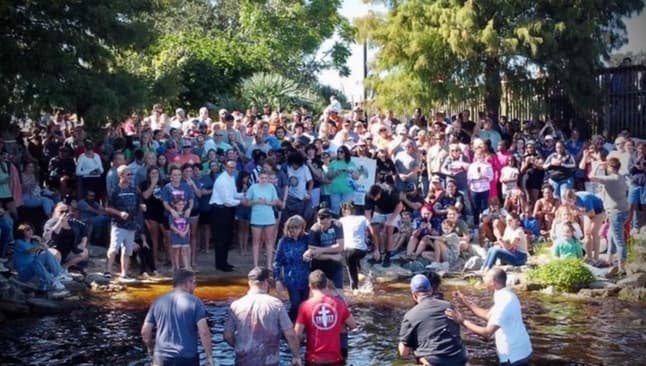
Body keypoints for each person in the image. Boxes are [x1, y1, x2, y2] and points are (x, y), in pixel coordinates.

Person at [446, 268, 532, 365]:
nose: (483, 278)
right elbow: (488, 315)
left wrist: (462, 321)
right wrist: (465, 302)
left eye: (486, 277)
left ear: (493, 282)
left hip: (513, 357)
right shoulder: (506, 294)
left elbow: (487, 332)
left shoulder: (504, 302)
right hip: (521, 350)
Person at [224, 267, 302, 366]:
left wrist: (239, 345)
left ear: (249, 283)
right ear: (266, 283)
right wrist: (296, 356)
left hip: (243, 360)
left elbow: (227, 336)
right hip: (269, 361)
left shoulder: (236, 305)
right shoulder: (276, 304)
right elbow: (290, 334)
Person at [141, 269, 214, 366]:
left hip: (161, 357)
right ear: (187, 283)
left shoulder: (158, 302)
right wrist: (209, 357)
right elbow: (204, 332)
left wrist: (150, 348)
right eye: (194, 283)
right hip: (186, 357)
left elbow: (145, 332)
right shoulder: (195, 302)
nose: (195, 286)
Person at [398, 274, 468, 366]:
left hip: (434, 362)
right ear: (430, 291)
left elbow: (404, 353)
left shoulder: (410, 315)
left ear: (414, 295)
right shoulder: (448, 306)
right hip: (460, 359)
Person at [294, 270, 357, 366]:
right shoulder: (339, 304)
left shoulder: (305, 306)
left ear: (310, 286)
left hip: (313, 360)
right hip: (336, 360)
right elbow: (353, 325)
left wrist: (296, 356)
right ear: (326, 285)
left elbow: (297, 334)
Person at [588, 157, 630, 274]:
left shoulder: (611, 179)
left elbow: (591, 177)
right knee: (611, 235)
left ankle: (622, 268)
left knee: (619, 240)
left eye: (608, 166)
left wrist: (598, 165)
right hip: (623, 210)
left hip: (616, 212)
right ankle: (609, 260)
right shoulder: (621, 177)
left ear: (611, 167)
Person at [104, 165, 143, 280]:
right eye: (128, 174)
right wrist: (119, 213)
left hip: (131, 225)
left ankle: (124, 273)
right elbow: (107, 208)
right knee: (113, 249)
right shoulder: (114, 190)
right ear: (121, 175)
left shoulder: (134, 189)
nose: (130, 176)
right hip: (118, 225)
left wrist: (142, 206)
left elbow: (138, 204)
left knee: (127, 250)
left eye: (131, 174)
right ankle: (108, 271)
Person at [14, 223, 71, 291]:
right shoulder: (19, 242)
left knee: (45, 253)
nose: (30, 231)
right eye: (27, 229)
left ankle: (59, 274)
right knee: (35, 263)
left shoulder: (33, 243)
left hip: (34, 268)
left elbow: (44, 248)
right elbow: (29, 252)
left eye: (31, 229)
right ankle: (51, 281)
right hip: (23, 272)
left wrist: (39, 240)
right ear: (22, 232)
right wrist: (39, 244)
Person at [209, 159, 244, 271]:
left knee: (226, 238)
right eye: (230, 167)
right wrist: (242, 201)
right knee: (221, 239)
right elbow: (227, 201)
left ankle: (224, 262)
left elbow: (234, 194)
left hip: (226, 211)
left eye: (234, 167)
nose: (232, 169)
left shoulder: (231, 178)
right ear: (224, 167)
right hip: (220, 211)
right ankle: (220, 264)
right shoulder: (222, 180)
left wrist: (245, 195)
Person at [274, 215, 311, 320]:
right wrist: (277, 279)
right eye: (291, 227)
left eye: (296, 227)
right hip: (291, 279)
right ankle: (289, 325)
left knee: (304, 304)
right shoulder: (283, 241)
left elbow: (315, 251)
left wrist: (310, 253)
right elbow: (277, 262)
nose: (293, 230)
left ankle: (301, 327)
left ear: (302, 228)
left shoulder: (307, 239)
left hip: (305, 277)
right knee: (295, 303)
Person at [246, 170, 281, 269]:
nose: (264, 180)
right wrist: (255, 201)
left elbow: (276, 201)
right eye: (262, 178)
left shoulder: (271, 187)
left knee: (269, 241)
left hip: (269, 217)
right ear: (258, 178)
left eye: (266, 178)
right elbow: (247, 202)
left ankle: (269, 264)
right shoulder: (253, 187)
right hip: (256, 217)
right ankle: (255, 265)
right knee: (256, 241)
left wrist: (268, 202)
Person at [306, 208, 345, 289]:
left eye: (326, 224)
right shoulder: (314, 230)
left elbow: (340, 247)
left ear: (330, 219)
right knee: (319, 291)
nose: (323, 227)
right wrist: (332, 256)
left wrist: (321, 250)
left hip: (335, 265)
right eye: (321, 224)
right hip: (319, 266)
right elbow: (313, 253)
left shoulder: (337, 225)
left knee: (338, 291)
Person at [338, 202, 371, 290]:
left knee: (351, 272)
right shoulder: (363, 218)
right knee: (354, 258)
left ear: (344, 211)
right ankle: (360, 273)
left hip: (348, 251)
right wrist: (376, 249)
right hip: (362, 250)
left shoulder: (341, 220)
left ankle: (354, 288)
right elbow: (372, 231)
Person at [169, 198, 191, 271]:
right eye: (179, 204)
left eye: (182, 204)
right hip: (176, 236)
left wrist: (185, 232)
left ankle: (186, 267)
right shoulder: (172, 214)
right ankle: (177, 268)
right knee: (176, 252)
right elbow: (171, 226)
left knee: (184, 251)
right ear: (175, 205)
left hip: (184, 235)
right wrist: (179, 232)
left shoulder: (186, 214)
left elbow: (188, 224)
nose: (181, 206)